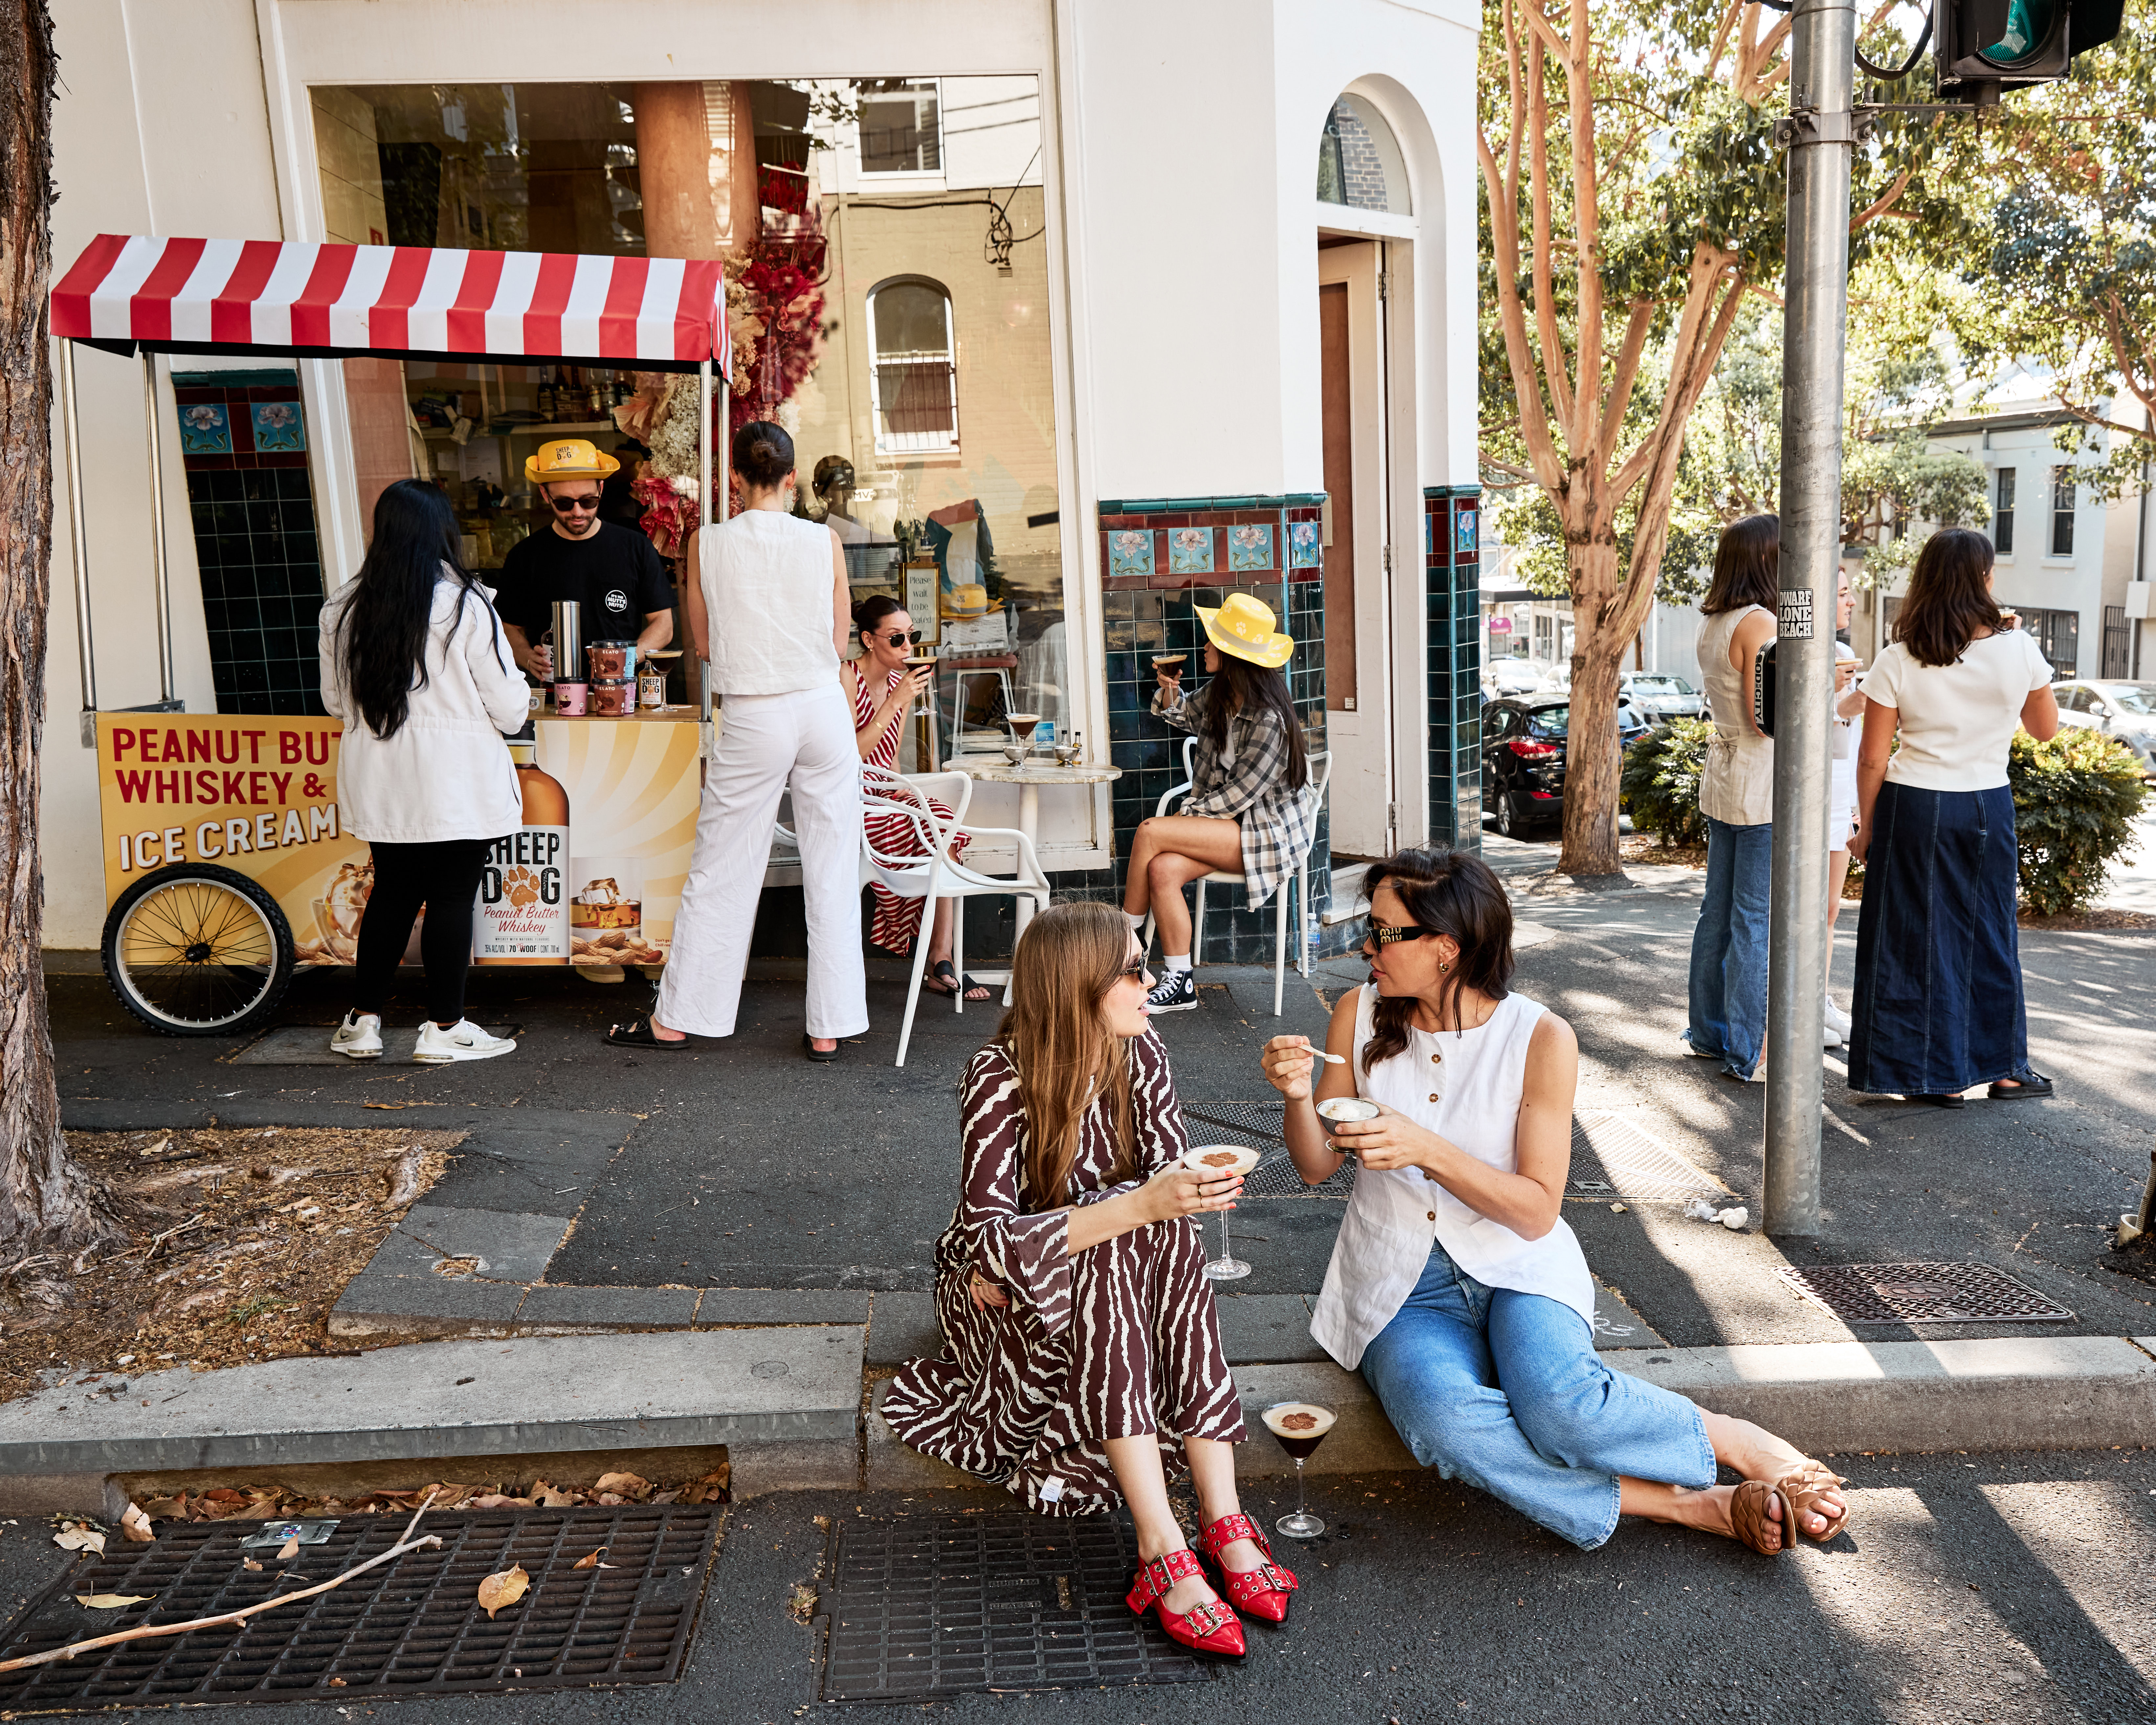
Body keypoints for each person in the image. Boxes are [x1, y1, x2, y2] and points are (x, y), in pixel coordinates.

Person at [1261, 848, 1852, 1557]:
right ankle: (1695, 1505)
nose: (1366, 945)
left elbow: (1537, 1210)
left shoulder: (1540, 1036)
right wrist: (1298, 1097)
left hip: (1518, 1265)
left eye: (1384, 931)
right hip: (1398, 1283)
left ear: (1446, 948)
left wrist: (1426, 1149)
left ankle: (1735, 1440)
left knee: (1562, 1410)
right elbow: (1315, 1165)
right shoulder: (1357, 1013)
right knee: (1443, 1422)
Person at [883, 902, 1298, 1659]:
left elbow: (1168, 1177)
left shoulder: (1141, 1052)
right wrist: (1137, 1205)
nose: (1151, 981)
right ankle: (1160, 1541)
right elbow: (987, 1237)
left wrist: (1179, 1195)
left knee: (1159, 1224)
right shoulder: (997, 1075)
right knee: (1125, 1226)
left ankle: (1221, 1517)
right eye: (1133, 969)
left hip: (1096, 1276)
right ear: (1078, 985)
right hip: (997, 1300)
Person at [607, 421, 867, 1061]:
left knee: (722, 866)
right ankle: (829, 1025)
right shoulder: (824, 540)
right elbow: (839, 643)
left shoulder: (706, 543)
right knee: (832, 865)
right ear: (793, 477)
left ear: (734, 481)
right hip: (821, 706)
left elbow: (704, 646)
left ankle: (681, 1017)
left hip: (753, 711)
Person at [1847, 528, 2058, 1107]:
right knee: (1988, 932)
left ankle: (1922, 1075)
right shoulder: (2019, 648)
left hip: (1913, 802)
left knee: (1907, 936)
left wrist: (1866, 826)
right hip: (1986, 801)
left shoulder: (1898, 656)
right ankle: (2006, 1067)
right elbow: (2045, 729)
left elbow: (1873, 756)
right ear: (1984, 580)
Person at [320, 480, 528, 1064]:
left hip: (382, 777)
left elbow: (336, 702)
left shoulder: (343, 608)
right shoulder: (466, 605)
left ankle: (363, 1022)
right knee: (452, 897)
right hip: (455, 780)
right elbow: (510, 710)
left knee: (392, 893)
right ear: (443, 531)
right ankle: (446, 1027)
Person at [1127, 592, 1312, 1015]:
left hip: (1263, 831)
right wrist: (1170, 690)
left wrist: (1187, 817)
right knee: (1161, 867)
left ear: (1231, 654)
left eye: (1213, 641)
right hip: (1228, 826)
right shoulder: (1221, 694)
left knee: (1151, 831)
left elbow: (1240, 796)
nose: (1205, 647)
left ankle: (1123, 944)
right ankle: (1180, 980)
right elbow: (1179, 716)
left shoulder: (1269, 719)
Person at [846, 595, 987, 1000]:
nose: (909, 647)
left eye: (913, 636)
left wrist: (904, 792)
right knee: (932, 823)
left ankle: (941, 958)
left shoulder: (898, 683)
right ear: (869, 640)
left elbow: (887, 756)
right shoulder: (846, 677)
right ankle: (938, 962)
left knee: (943, 821)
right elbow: (850, 753)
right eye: (897, 639)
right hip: (849, 799)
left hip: (883, 792)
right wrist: (896, 701)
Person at [1683, 515, 1780, 1082]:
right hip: (1761, 781)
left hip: (1725, 774)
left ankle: (1708, 1032)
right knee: (1752, 919)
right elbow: (1768, 719)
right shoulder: (1760, 622)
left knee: (1717, 913)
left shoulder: (1715, 620)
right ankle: (1748, 1049)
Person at [494, 438, 675, 679]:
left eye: (588, 501)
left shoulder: (635, 547)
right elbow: (507, 626)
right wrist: (527, 657)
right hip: (553, 695)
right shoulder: (525, 555)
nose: (578, 512)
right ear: (545, 494)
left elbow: (663, 623)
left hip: (620, 693)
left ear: (601, 489)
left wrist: (627, 659)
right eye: (564, 503)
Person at [1824, 569, 1864, 1043]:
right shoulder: (1786, 650)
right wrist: (1841, 703)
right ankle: (1795, 1005)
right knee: (1805, 909)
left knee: (1831, 909)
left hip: (1839, 792)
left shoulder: (1840, 654)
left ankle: (1819, 998)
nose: (1850, 602)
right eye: (1841, 594)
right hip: (1806, 793)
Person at [812, 454, 874, 544]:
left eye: (835, 486)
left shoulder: (865, 535)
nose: (828, 493)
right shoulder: (810, 531)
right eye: (822, 484)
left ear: (850, 492)